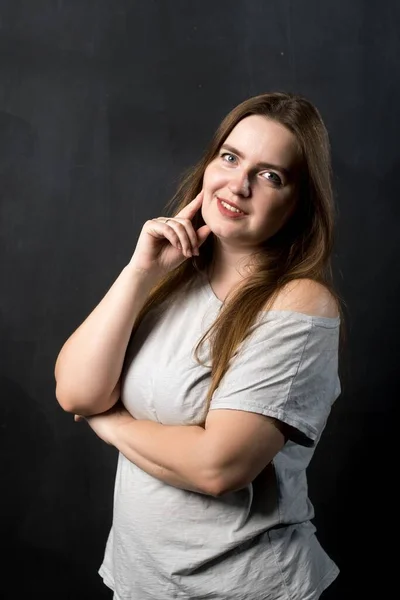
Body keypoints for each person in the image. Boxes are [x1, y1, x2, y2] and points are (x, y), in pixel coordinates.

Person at [54, 91, 344, 600]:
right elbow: (76, 391)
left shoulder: (299, 304)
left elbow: (219, 467)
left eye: (270, 175)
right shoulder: (172, 279)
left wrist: (111, 422)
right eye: (230, 158)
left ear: (298, 204)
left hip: (243, 588)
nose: (239, 184)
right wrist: (139, 273)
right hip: (141, 582)